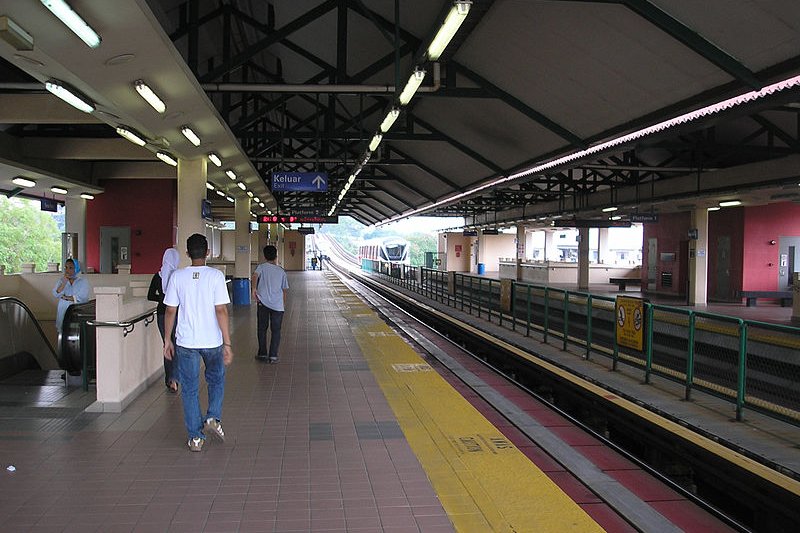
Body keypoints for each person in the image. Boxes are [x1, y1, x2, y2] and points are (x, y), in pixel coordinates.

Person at [163, 234, 233, 452]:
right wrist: (227, 343)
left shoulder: (177, 277)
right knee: (216, 380)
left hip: (186, 342)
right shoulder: (215, 276)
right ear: (208, 252)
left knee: (190, 389)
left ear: (187, 253)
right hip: (212, 341)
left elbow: (170, 310)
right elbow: (221, 310)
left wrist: (167, 339)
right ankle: (213, 417)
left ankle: (195, 438)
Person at [147, 248, 180, 393]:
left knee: (167, 345)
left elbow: (150, 296)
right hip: (177, 313)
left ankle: (170, 379)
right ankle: (176, 377)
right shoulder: (177, 276)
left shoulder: (157, 276)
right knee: (177, 344)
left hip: (161, 313)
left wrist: (162, 298)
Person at [251, 245, 289, 363]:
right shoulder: (281, 271)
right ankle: (273, 356)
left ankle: (262, 353)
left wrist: (253, 289)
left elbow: (254, 276)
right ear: (276, 256)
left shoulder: (261, 267)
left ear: (264, 255)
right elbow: (284, 290)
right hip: (277, 306)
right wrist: (283, 305)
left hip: (263, 303)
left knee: (262, 329)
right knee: (276, 330)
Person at [52, 258, 91, 334]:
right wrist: (64, 282)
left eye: (70, 268)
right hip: (63, 310)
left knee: (75, 333)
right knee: (62, 333)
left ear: (76, 268)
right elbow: (56, 293)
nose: (67, 270)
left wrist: (65, 297)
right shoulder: (62, 280)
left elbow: (82, 297)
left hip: (76, 311)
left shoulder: (83, 281)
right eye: (66, 267)